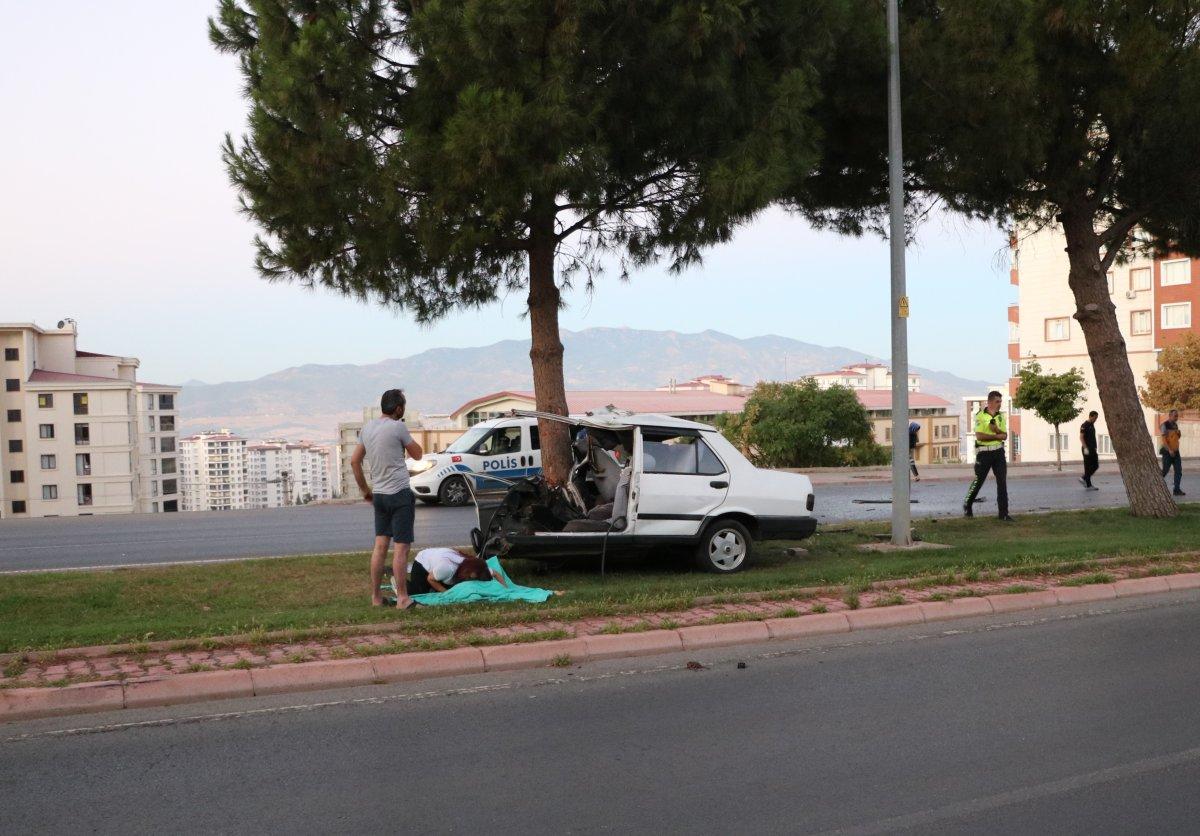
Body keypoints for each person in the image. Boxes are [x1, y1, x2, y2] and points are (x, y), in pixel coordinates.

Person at [352, 388, 424, 609]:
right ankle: (403, 598)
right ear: (399, 408)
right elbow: (418, 454)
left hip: (380, 495)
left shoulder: (367, 428)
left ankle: (375, 598)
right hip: (400, 494)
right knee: (401, 548)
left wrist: (366, 491)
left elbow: (355, 461)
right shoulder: (398, 427)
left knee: (380, 546)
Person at [964, 390, 1013, 521]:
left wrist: (996, 431)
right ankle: (967, 505)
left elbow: (1005, 436)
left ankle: (1003, 514)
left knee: (1002, 482)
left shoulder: (1001, 416)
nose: (999, 404)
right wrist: (996, 436)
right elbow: (980, 436)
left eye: (1001, 401)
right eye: (997, 401)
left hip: (998, 453)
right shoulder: (980, 416)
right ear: (990, 402)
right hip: (984, 453)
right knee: (978, 481)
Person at [405, 547, 507, 595]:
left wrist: (506, 589)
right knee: (419, 593)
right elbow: (430, 579)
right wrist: (446, 593)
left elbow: (496, 574)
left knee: (449, 586)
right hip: (422, 563)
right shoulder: (448, 568)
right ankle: (402, 584)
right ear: (469, 573)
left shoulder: (477, 567)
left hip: (439, 561)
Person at [1161, 409, 1185, 496]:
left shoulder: (1175, 425)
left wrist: (1178, 434)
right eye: (1175, 416)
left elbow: (1175, 438)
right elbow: (1164, 440)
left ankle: (1176, 490)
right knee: (1165, 471)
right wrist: (1169, 450)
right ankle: (1155, 486)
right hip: (1168, 452)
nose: (1176, 417)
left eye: (1177, 416)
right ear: (1170, 415)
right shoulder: (1164, 425)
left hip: (1176, 452)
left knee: (1178, 471)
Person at [1079, 410, 1100, 490]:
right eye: (1095, 418)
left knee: (1095, 465)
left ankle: (1084, 479)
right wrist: (1085, 448)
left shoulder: (1092, 424)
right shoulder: (1085, 425)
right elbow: (1081, 437)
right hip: (1087, 449)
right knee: (1088, 466)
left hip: (1092, 448)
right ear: (1091, 416)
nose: (1096, 419)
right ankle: (1088, 484)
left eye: (1096, 418)